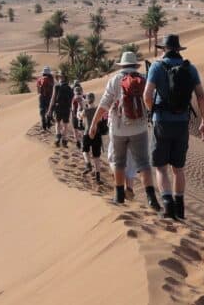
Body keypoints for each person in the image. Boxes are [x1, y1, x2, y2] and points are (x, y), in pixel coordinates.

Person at [144, 34, 204, 220]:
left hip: (161, 122)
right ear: (178, 50)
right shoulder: (190, 68)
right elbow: (201, 97)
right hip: (182, 123)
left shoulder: (157, 66)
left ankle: (168, 206)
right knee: (178, 168)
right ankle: (180, 208)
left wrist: (153, 111)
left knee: (160, 167)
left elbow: (147, 95)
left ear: (163, 49)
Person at [89, 51, 161, 210]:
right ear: (135, 65)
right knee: (143, 164)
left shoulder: (115, 80)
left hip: (118, 129)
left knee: (119, 162)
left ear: (122, 65)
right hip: (139, 128)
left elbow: (104, 104)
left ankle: (119, 196)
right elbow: (151, 100)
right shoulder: (143, 78)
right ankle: (151, 198)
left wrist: (93, 124)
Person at [79, 92, 105, 184]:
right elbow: (101, 119)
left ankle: (88, 164)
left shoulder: (85, 110)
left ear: (87, 99)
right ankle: (98, 178)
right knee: (96, 157)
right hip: (97, 134)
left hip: (87, 133)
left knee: (85, 151)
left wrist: (82, 106)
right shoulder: (98, 109)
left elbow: (80, 117)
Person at [45, 74, 74, 147]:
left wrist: (49, 110)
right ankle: (64, 140)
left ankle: (58, 137)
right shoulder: (69, 88)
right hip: (67, 108)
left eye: (59, 77)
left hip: (58, 107)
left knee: (57, 123)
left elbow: (53, 98)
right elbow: (72, 100)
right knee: (65, 125)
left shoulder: (57, 86)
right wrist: (72, 109)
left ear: (60, 79)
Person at [36, 66, 55, 130]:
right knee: (49, 109)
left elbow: (38, 90)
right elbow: (54, 88)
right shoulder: (51, 79)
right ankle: (48, 123)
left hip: (41, 97)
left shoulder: (39, 79)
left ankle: (43, 123)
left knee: (42, 110)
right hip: (49, 96)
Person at [69, 83, 85, 148]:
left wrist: (73, 114)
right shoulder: (84, 97)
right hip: (82, 116)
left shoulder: (74, 98)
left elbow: (72, 109)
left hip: (75, 116)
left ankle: (77, 141)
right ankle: (83, 141)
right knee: (82, 130)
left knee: (75, 129)